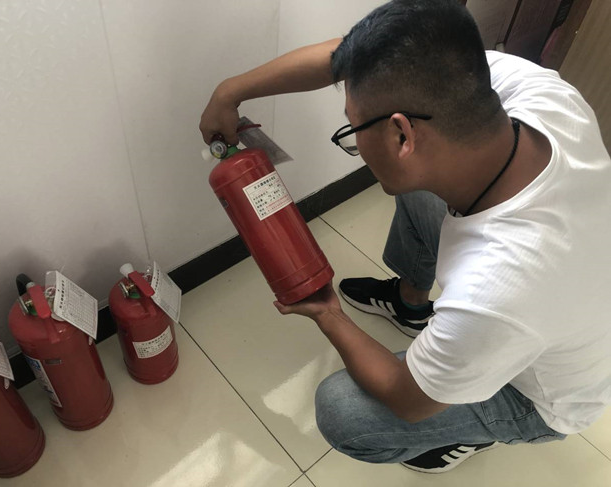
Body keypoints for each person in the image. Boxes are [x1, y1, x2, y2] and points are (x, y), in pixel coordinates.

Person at [200, 0, 611, 474]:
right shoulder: (533, 92)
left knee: (345, 412)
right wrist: (229, 92)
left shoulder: (495, 293)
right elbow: (353, 57)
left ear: (401, 135)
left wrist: (328, 314)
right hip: (566, 300)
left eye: (353, 128)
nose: (356, 142)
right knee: (413, 183)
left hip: (542, 393)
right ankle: (411, 303)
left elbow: (406, 398)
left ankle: (473, 432)